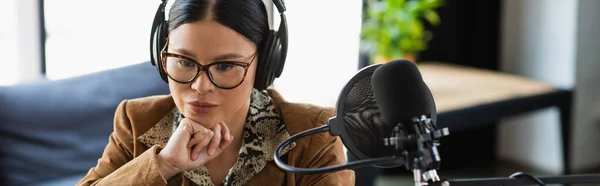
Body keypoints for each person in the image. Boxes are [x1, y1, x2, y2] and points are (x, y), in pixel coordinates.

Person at [77, 0, 355, 185]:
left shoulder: (312, 135)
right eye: (185, 62)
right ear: (162, 56)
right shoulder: (136, 123)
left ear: (265, 65)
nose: (200, 86)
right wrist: (163, 164)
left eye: (225, 65)